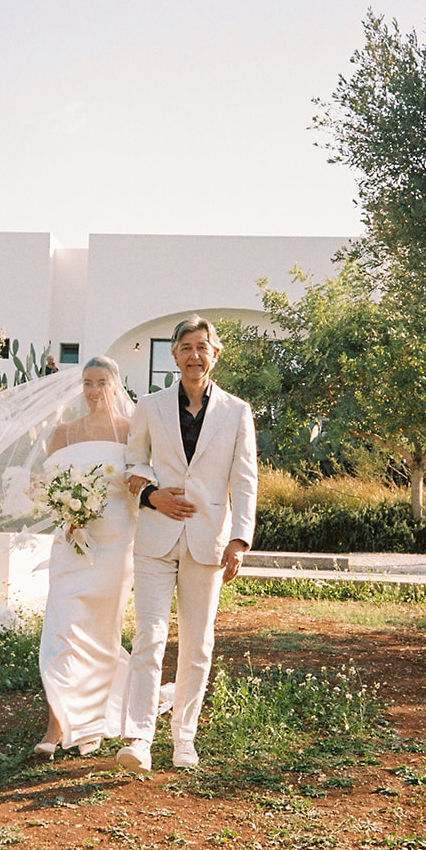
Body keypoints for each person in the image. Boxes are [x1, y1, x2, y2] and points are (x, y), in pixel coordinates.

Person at [117, 315, 257, 772]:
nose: (195, 355)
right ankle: (138, 740)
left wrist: (239, 539)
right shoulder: (150, 405)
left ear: (214, 354)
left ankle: (184, 741)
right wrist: (150, 494)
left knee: (198, 645)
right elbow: (132, 461)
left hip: (210, 542)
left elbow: (245, 480)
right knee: (149, 638)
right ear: (174, 356)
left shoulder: (237, 412)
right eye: (186, 348)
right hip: (156, 539)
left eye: (203, 347)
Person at [32, 356, 138, 759]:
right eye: (88, 382)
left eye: (102, 382)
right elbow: (46, 488)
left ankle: (91, 722)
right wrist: (67, 511)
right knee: (62, 630)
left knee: (101, 633)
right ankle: (55, 725)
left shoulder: (132, 431)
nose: (94, 390)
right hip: (71, 542)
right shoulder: (63, 433)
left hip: (114, 543)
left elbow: (139, 486)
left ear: (116, 385)